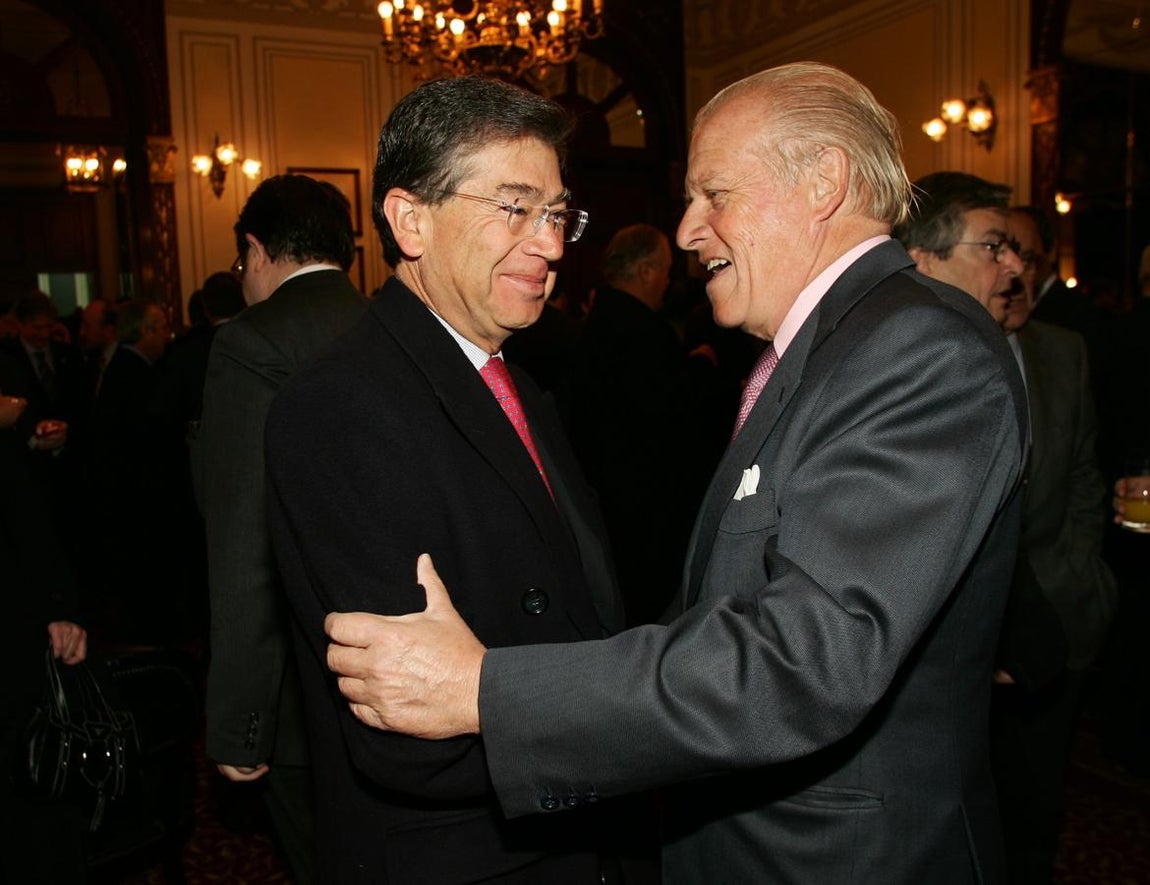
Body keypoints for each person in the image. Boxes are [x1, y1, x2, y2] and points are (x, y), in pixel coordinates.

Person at [323, 62, 1028, 884]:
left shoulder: (915, 350)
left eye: (714, 195)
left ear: (823, 182)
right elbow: (720, 608)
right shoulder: (829, 349)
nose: (689, 230)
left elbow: (804, 658)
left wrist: (487, 688)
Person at [264, 77, 623, 884]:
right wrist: (630, 731)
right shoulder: (338, 406)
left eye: (558, 214)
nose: (552, 245)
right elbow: (409, 736)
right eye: (514, 207)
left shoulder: (520, 385)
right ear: (410, 220)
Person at [193, 174, 367, 885]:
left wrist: (239, 719)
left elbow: (245, 548)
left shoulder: (251, 343)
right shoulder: (396, 325)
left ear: (256, 251)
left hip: (303, 687)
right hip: (402, 666)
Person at [985, 205, 1116, 883]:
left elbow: (1088, 475)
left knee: (1038, 805)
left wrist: (1083, 570)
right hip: (972, 623)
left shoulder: (1064, 350)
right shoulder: (946, 344)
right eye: (1003, 254)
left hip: (1057, 609)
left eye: (1030, 259)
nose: (1017, 273)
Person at [563, 223, 731, 625]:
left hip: (605, 513)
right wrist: (702, 371)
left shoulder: (593, 324)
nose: (669, 281)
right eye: (666, 270)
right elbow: (672, 418)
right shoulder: (641, 331)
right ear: (645, 271)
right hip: (647, 522)